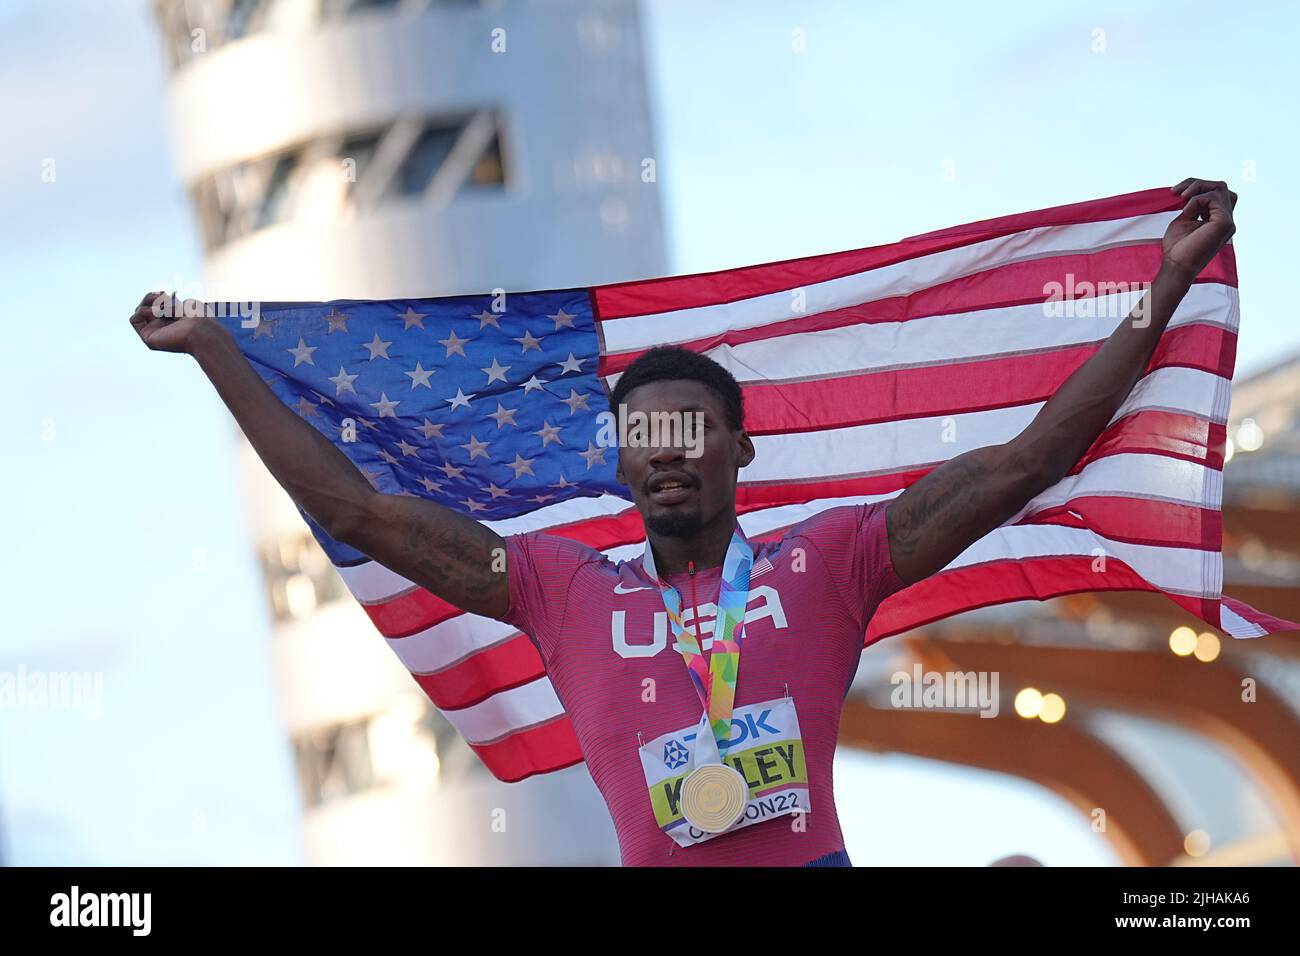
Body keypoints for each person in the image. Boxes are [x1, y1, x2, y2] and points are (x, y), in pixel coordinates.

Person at [130, 178, 1237, 867]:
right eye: (643, 433)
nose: (665, 448)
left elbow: (1030, 459)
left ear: (737, 450)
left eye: (689, 428)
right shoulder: (560, 585)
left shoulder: (829, 559)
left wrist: (1162, 286)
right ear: (618, 464)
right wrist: (220, 354)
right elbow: (356, 510)